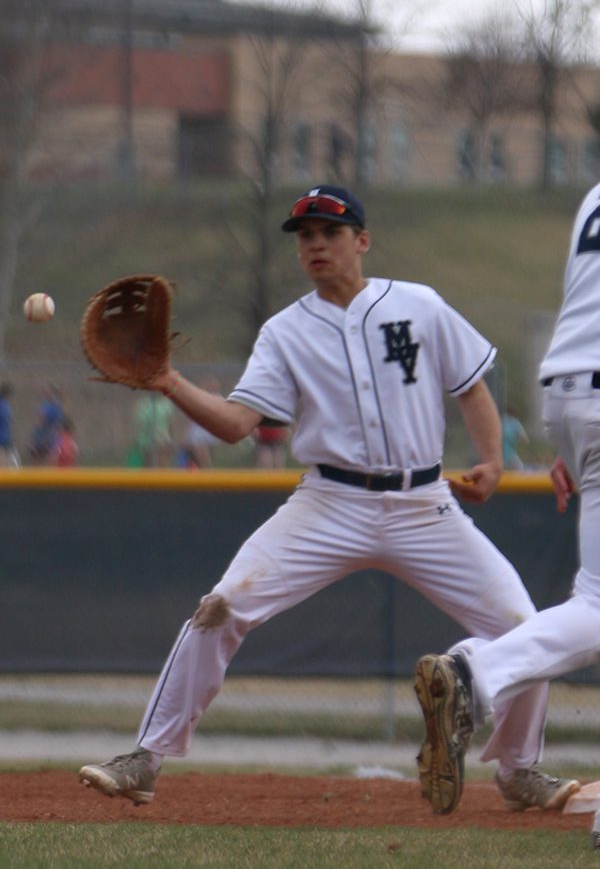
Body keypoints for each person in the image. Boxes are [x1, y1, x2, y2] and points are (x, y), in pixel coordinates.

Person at [78, 183, 569, 813]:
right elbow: (234, 425)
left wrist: (495, 460)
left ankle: (520, 770)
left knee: (526, 628)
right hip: (329, 505)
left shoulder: (419, 306)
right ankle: (145, 756)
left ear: (361, 241)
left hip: (424, 505)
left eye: (329, 232)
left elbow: (471, 386)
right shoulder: (286, 331)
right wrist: (168, 381)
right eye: (305, 235)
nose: (314, 244)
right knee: (221, 608)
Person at [412, 183, 600, 830]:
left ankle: (473, 673)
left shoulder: (594, 196)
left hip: (570, 393)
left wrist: (579, 445)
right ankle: (476, 674)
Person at [131, 392, 175, 467]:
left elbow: (170, 425)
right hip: (146, 442)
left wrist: (169, 441)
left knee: (162, 465)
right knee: (149, 465)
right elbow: (140, 427)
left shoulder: (166, 404)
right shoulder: (143, 404)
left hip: (163, 441)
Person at [28, 384, 64, 464]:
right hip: (45, 433)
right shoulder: (47, 403)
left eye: (47, 391)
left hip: (49, 434)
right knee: (38, 456)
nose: (45, 393)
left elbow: (42, 419)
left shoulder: (54, 405)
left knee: (46, 457)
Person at [0, 382, 19, 467]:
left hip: (5, 438)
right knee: (14, 463)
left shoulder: (5, 405)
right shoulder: (4, 406)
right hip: (4, 439)